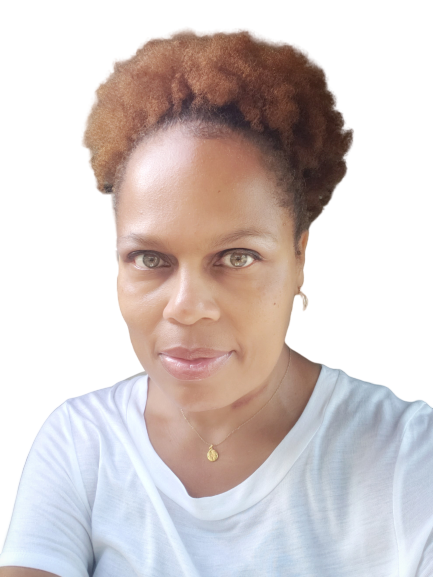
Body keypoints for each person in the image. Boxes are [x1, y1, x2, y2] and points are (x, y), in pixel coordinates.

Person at [0, 33, 432, 577]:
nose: (187, 307)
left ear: (299, 262)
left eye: (236, 257)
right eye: (150, 259)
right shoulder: (80, 443)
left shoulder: (409, 458)